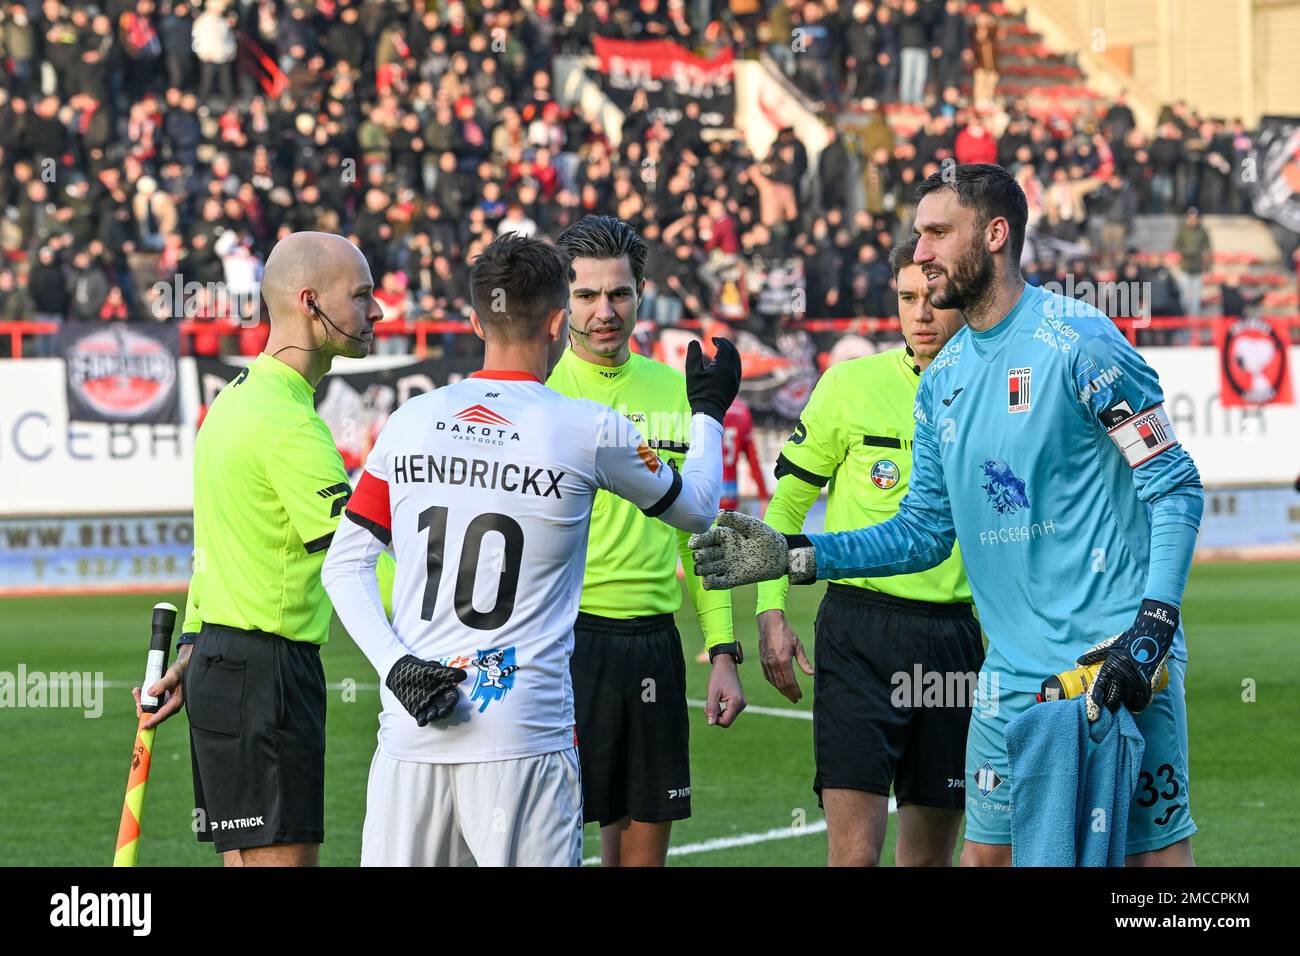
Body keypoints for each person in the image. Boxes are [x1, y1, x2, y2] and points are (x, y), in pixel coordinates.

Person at [691, 164, 1204, 867]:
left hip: (1114, 659)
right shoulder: (944, 380)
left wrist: (1153, 627)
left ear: (995, 235)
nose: (922, 251)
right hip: (1009, 674)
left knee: (1152, 861)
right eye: (918, 235)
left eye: (938, 232)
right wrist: (794, 555)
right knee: (984, 859)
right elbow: (923, 533)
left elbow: (1173, 486)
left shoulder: (1081, 340)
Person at [320, 233, 741, 867]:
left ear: (473, 319)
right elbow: (700, 508)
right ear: (555, 320)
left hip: (411, 731)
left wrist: (395, 666)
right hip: (523, 733)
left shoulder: (411, 420)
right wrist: (707, 410)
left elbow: (345, 564)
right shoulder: (585, 427)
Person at [134, 231, 384, 866]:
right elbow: (355, 563)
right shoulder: (290, 424)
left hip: (221, 661)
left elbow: (211, 545)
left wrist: (192, 644)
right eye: (361, 296)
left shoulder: (235, 401)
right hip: (269, 676)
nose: (375, 312)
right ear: (310, 302)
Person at [756, 238, 976, 866]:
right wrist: (771, 612)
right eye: (908, 297)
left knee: (929, 859)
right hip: (859, 635)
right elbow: (786, 510)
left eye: (935, 297)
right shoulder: (849, 386)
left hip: (954, 640)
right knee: (853, 857)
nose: (922, 313)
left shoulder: (995, 392)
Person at [546, 216, 744, 867]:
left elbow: (706, 534)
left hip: (655, 647)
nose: (604, 312)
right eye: (585, 296)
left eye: (619, 294)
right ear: (561, 300)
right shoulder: (542, 398)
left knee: (641, 860)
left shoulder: (682, 392)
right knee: (546, 847)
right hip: (565, 650)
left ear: (642, 292)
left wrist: (721, 649)